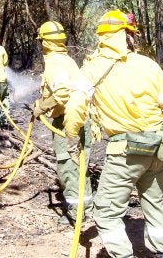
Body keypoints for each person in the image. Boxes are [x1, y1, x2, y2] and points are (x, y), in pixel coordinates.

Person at [64, 9, 163, 257]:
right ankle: (161, 253)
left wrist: (72, 137)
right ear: (128, 35)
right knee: (155, 201)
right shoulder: (149, 65)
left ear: (102, 37)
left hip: (127, 152)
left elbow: (74, 106)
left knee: (105, 210)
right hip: (159, 147)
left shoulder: (93, 68)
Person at [32, 21, 94, 225]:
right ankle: (87, 209)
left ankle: (75, 214)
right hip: (82, 119)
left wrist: (42, 106)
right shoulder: (67, 60)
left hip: (66, 121)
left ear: (44, 42)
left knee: (67, 167)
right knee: (80, 165)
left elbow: (61, 93)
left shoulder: (54, 63)